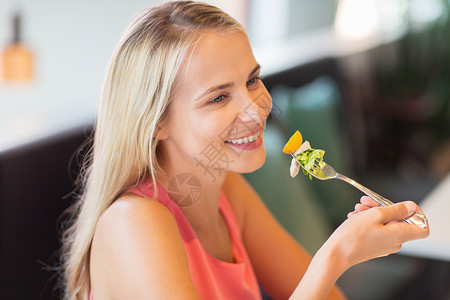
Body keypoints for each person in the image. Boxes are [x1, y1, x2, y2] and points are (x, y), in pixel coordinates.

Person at [60, 1, 429, 299]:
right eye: (219, 97)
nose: (257, 108)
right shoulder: (133, 222)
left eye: (252, 79)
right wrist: (336, 256)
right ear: (157, 123)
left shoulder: (226, 190)